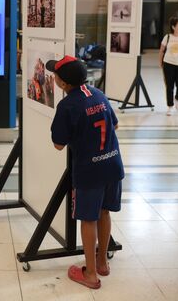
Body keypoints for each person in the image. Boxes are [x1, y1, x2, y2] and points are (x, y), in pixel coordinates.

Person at [48, 55, 124, 290]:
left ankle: (90, 275)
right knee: (105, 212)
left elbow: (58, 144)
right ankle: (102, 263)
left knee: (88, 219)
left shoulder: (67, 105)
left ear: (63, 83)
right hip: (112, 165)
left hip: (89, 170)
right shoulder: (98, 94)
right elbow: (115, 124)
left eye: (56, 75)